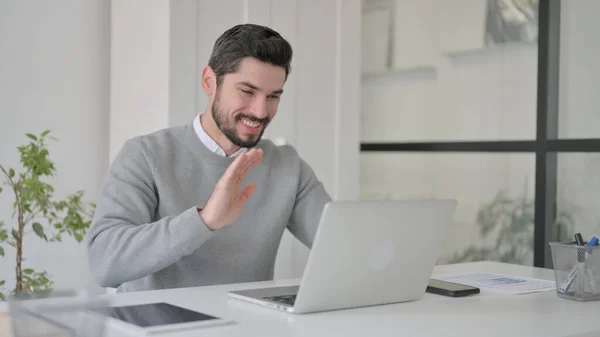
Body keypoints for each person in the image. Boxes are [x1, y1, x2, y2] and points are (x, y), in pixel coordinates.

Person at [86, 24, 332, 293]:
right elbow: (103, 263)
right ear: (209, 82)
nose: (261, 111)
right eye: (247, 92)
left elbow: (340, 244)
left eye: (272, 96)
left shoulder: (287, 166)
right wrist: (204, 221)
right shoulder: (145, 155)